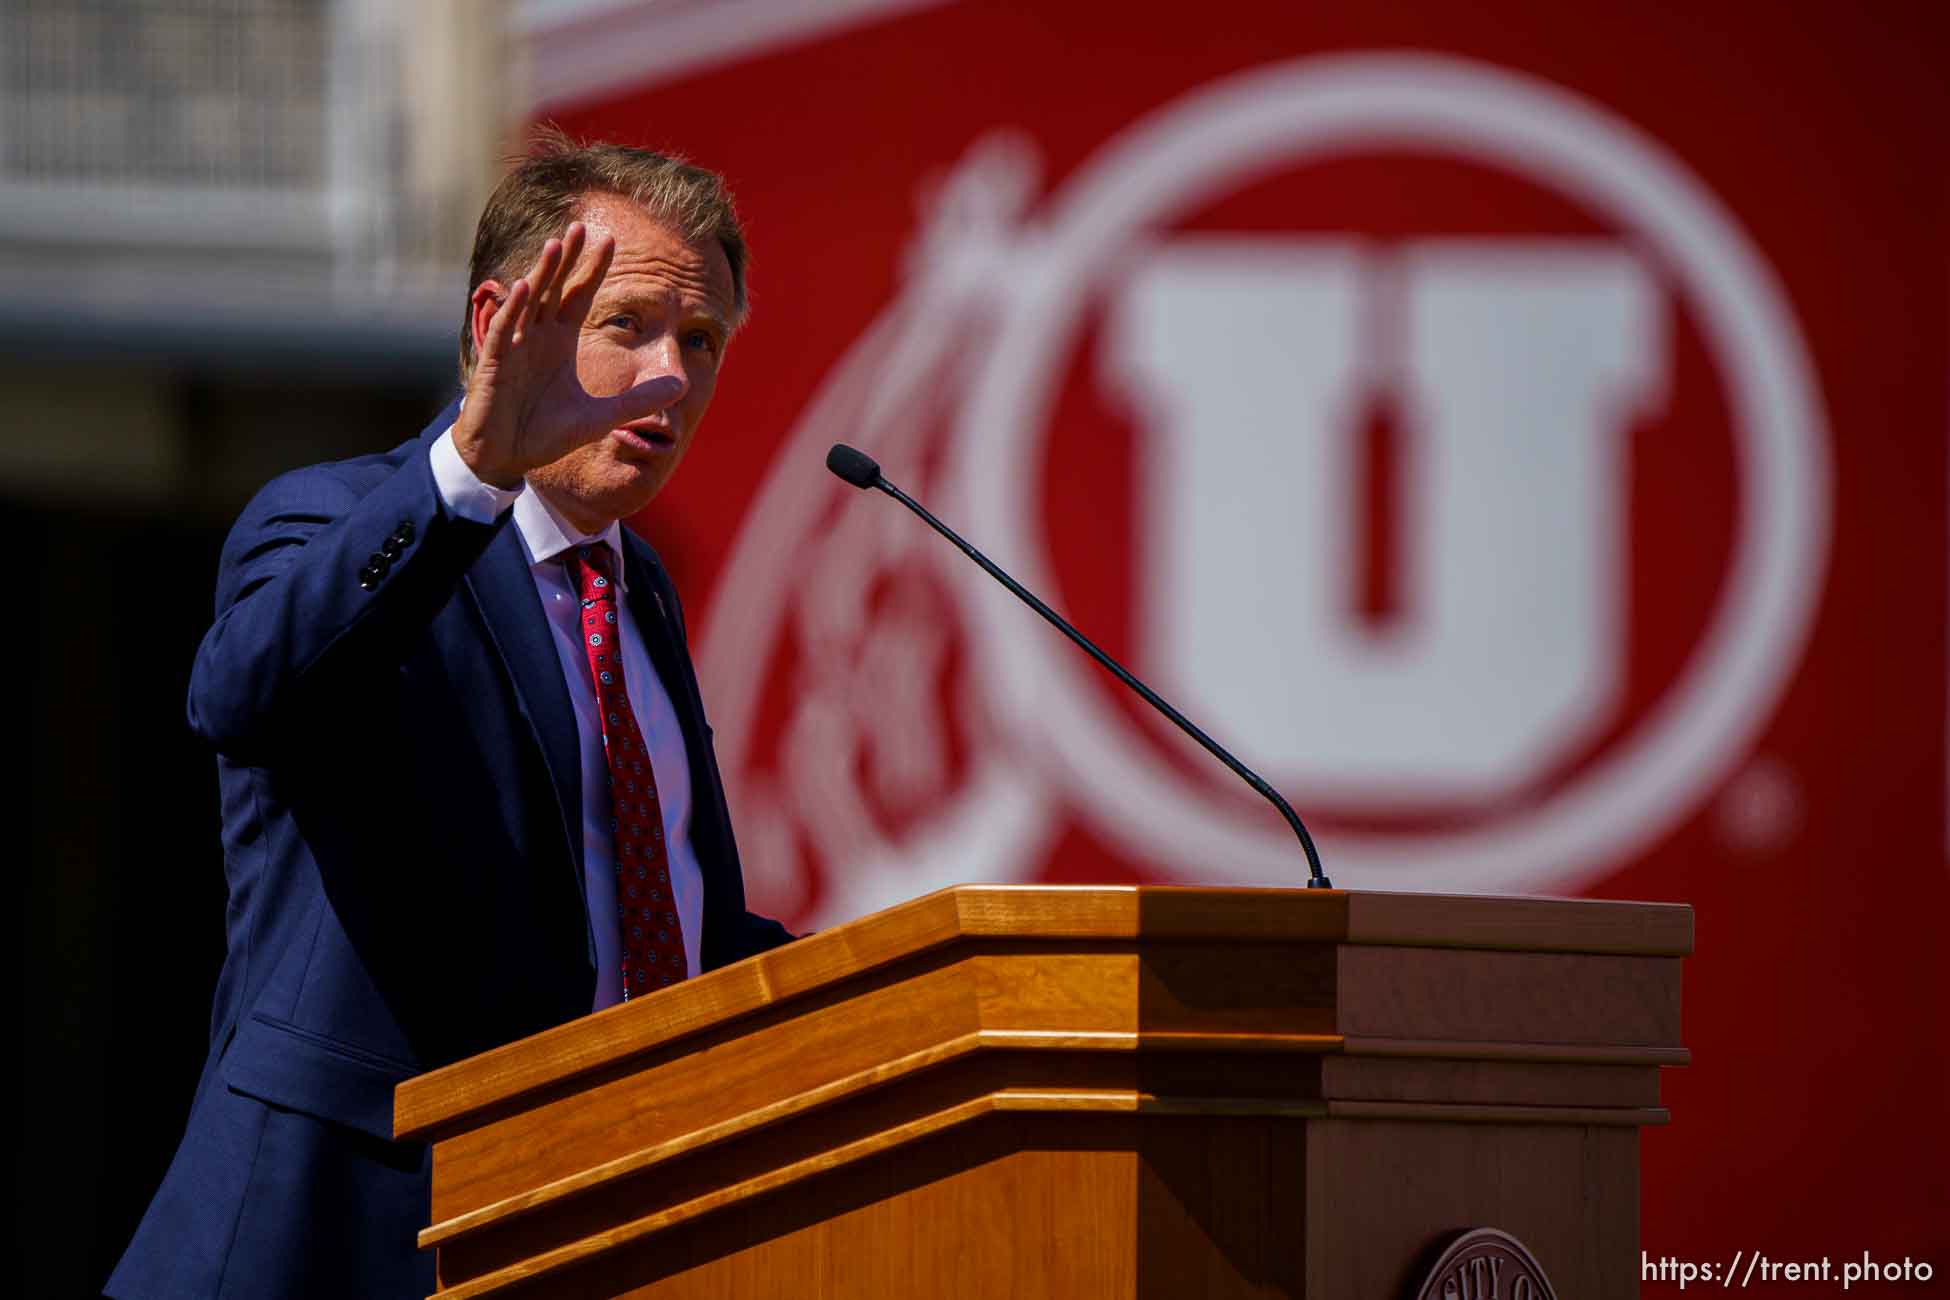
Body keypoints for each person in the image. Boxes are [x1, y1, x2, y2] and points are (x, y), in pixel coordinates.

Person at [107, 134, 796, 1299]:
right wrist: (472, 470)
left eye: (701, 340)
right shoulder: (335, 517)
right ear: (498, 323)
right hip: (332, 1241)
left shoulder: (640, 592)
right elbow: (241, 696)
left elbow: (652, 911)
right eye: (628, 325)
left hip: (569, 1224)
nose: (670, 377)